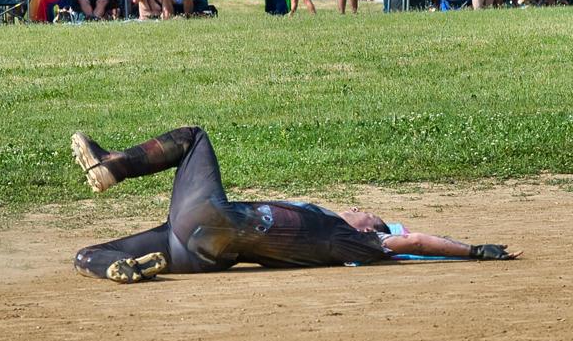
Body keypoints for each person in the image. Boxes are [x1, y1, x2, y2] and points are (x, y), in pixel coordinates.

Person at [69, 127, 518, 284]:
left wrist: (474, 250)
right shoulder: (332, 247)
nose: (357, 208)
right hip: (203, 252)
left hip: (211, 221)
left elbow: (414, 241)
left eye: (368, 213)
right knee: (88, 254)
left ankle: (114, 165)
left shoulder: (351, 240)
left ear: (370, 229)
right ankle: (119, 269)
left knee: (194, 137)